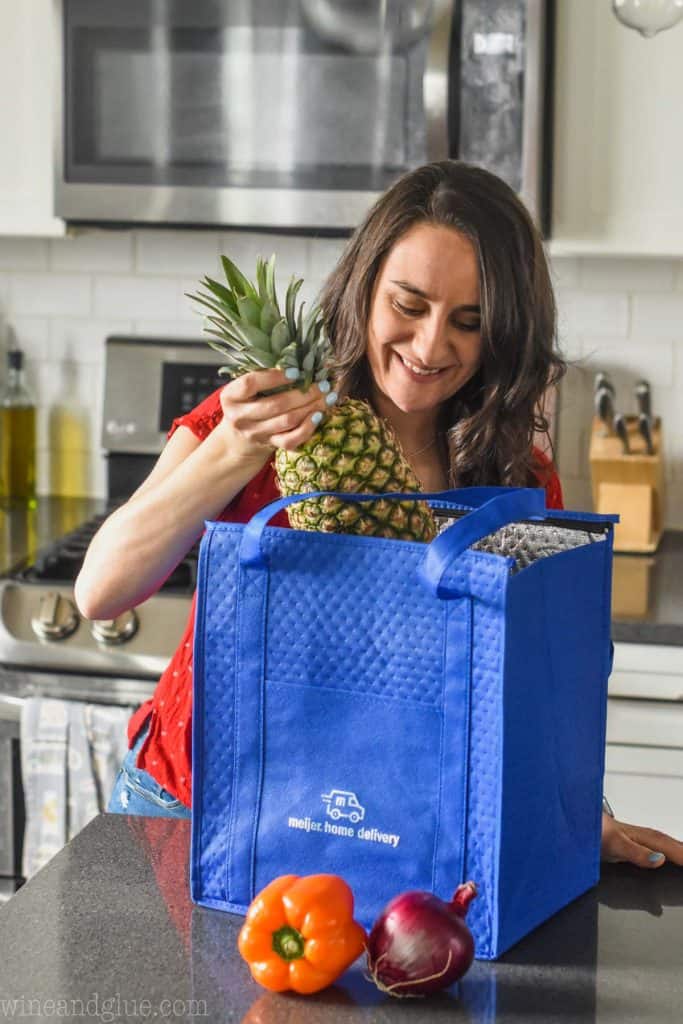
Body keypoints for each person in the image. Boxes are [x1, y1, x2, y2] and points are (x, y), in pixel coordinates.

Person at [75, 159, 683, 870]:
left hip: (383, 829)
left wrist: (578, 817)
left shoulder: (514, 476)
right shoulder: (249, 421)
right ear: (364, 287)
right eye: (409, 304)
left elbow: (527, 682)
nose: (430, 346)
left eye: (469, 321)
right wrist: (235, 449)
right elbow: (101, 591)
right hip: (190, 805)